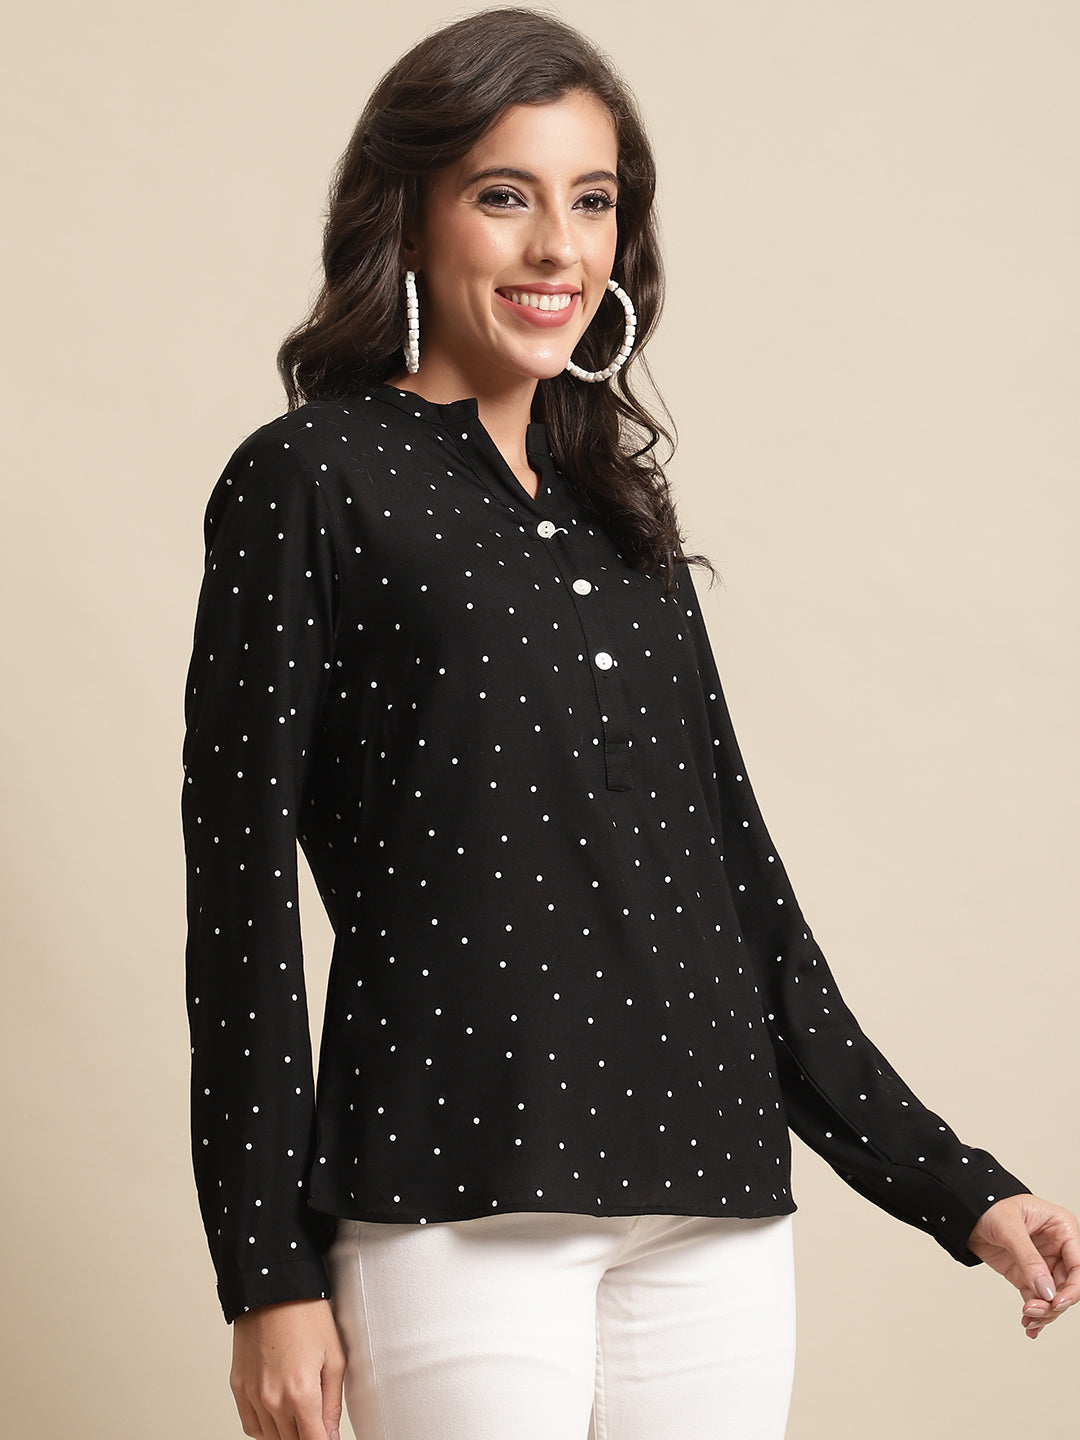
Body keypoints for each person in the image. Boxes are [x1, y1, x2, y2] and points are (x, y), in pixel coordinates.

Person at [180, 9, 1078, 1439]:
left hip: (712, 1201)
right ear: (409, 215)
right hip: (455, 1191)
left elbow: (742, 895)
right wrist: (266, 1274)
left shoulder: (620, 518)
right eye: (505, 195)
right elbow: (236, 902)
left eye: (591, 201)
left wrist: (954, 1187)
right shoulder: (311, 479)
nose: (558, 248)